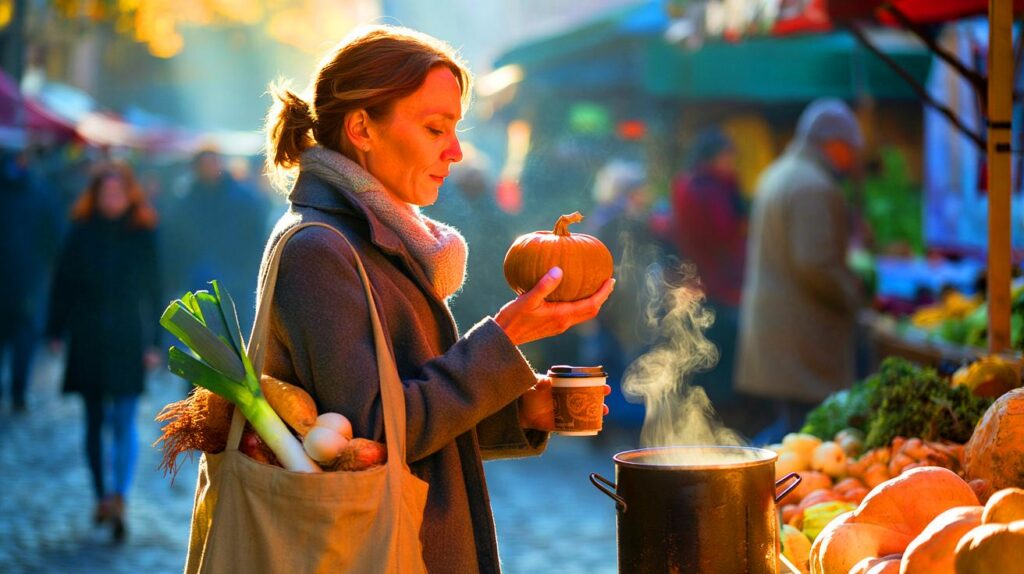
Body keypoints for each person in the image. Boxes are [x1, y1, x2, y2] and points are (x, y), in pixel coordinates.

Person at [260, 25, 614, 573]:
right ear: (361, 128)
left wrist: (521, 410)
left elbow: (411, 411)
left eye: (454, 128)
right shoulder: (320, 249)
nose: (455, 150)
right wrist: (506, 336)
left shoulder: (381, 238)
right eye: (434, 128)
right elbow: (376, 435)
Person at [46, 161, 163, 542]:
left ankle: (120, 495)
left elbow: (156, 291)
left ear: (129, 194)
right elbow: (62, 282)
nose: (112, 199)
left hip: (128, 336)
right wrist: (55, 329)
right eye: (105, 193)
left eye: (118, 192)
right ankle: (101, 494)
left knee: (126, 417)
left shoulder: (142, 234)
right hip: (90, 336)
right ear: (95, 196)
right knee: (94, 419)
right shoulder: (80, 233)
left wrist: (154, 343)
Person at [735, 99, 864, 443]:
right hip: (801, 336)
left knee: (792, 432)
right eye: (851, 148)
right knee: (802, 437)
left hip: (779, 332)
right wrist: (855, 300)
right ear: (834, 143)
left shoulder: (779, 172)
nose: (852, 159)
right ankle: (737, 478)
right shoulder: (813, 186)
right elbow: (816, 264)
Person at [670, 129, 746, 410]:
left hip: (699, 284)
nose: (732, 164)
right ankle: (717, 420)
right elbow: (723, 233)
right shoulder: (710, 188)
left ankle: (706, 416)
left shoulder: (687, 183)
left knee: (704, 359)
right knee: (717, 362)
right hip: (719, 286)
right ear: (714, 157)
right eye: (729, 157)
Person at [162, 148, 269, 334]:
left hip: (238, 279)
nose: (209, 168)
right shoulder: (187, 201)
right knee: (208, 339)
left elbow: (256, 238)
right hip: (200, 279)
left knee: (240, 334)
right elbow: (177, 243)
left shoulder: (244, 198)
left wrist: (251, 269)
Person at [0, 148, 59, 413]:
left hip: (25, 281)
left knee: (18, 339)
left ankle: (16, 392)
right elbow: (54, 236)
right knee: (23, 339)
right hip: (29, 281)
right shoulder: (40, 191)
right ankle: (18, 393)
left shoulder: (39, 192)